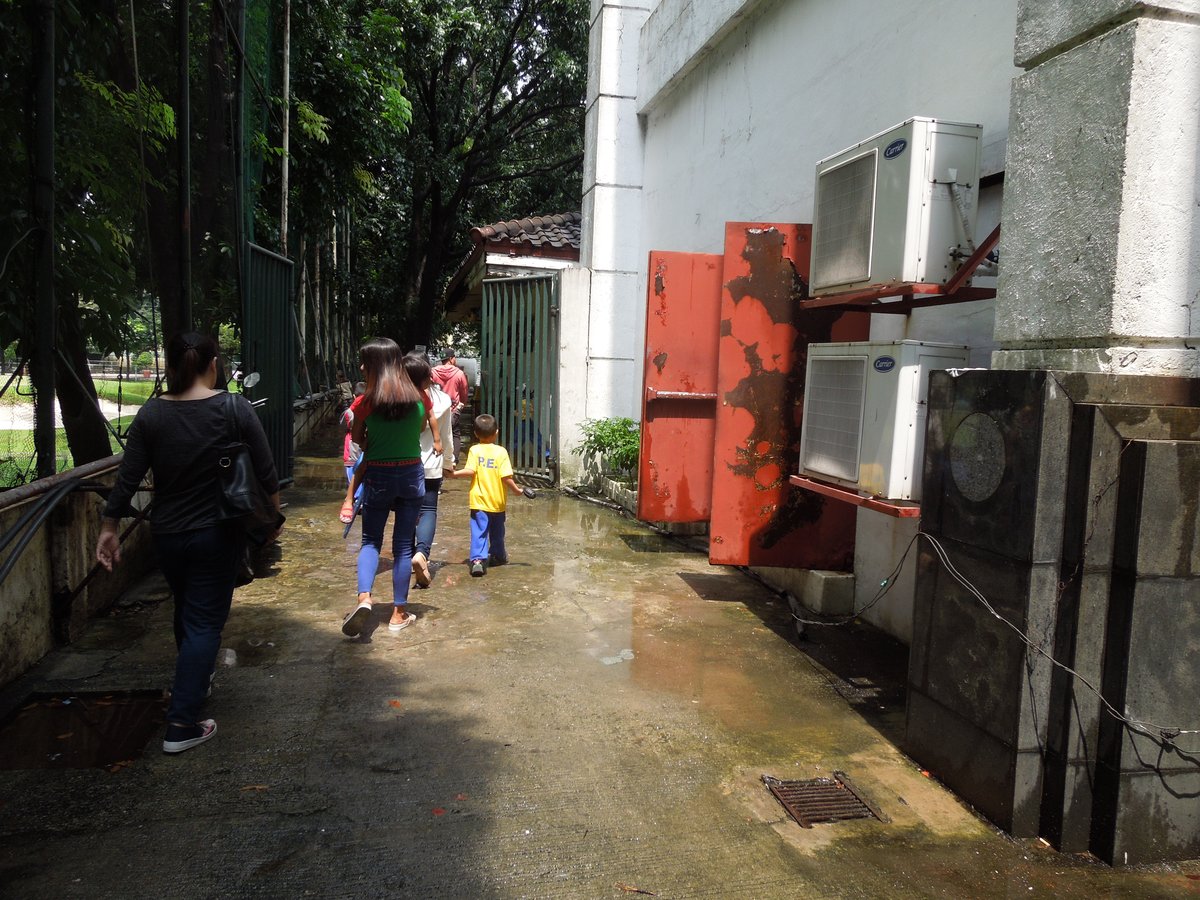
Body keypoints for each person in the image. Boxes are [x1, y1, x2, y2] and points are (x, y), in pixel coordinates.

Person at [95, 332, 281, 754]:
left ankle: (197, 678)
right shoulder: (233, 406)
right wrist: (272, 514)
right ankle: (181, 723)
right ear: (213, 364)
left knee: (187, 608)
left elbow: (128, 477)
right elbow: (266, 468)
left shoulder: (152, 414)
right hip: (217, 531)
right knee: (204, 623)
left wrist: (108, 526)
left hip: (168, 534)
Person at [339, 338, 435, 637]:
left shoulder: (366, 401)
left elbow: (356, 438)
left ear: (376, 366)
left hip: (378, 473)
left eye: (365, 362)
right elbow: (420, 428)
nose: (361, 367)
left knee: (370, 541)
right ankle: (398, 613)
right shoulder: (419, 399)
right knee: (403, 546)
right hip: (410, 474)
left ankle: (365, 598)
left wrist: (370, 437)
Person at [448, 413, 532, 577]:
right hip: (497, 502)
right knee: (498, 531)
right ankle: (498, 556)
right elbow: (506, 477)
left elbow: (470, 471)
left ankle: (478, 560)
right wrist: (517, 490)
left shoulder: (474, 450)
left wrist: (454, 474)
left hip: (479, 501)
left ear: (476, 434)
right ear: (497, 432)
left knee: (479, 531)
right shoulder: (501, 452)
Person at [402, 353, 454, 588]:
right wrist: (449, 462)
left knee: (406, 509)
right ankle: (421, 554)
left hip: (403, 462)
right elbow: (446, 436)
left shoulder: (396, 400)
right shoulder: (443, 400)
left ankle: (407, 554)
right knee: (429, 508)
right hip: (432, 462)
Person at [431, 349, 469, 462]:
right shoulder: (459, 373)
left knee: (437, 432)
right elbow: (464, 392)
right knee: (455, 434)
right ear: (452, 359)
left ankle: (437, 456)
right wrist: (461, 406)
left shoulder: (432, 372)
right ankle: (454, 460)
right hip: (453, 409)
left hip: (436, 409)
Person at [340, 381, 366, 500]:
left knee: (352, 472)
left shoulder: (349, 412)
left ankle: (355, 498)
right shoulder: (370, 409)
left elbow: (345, 426)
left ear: (354, 396)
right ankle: (362, 498)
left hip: (351, 448)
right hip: (366, 446)